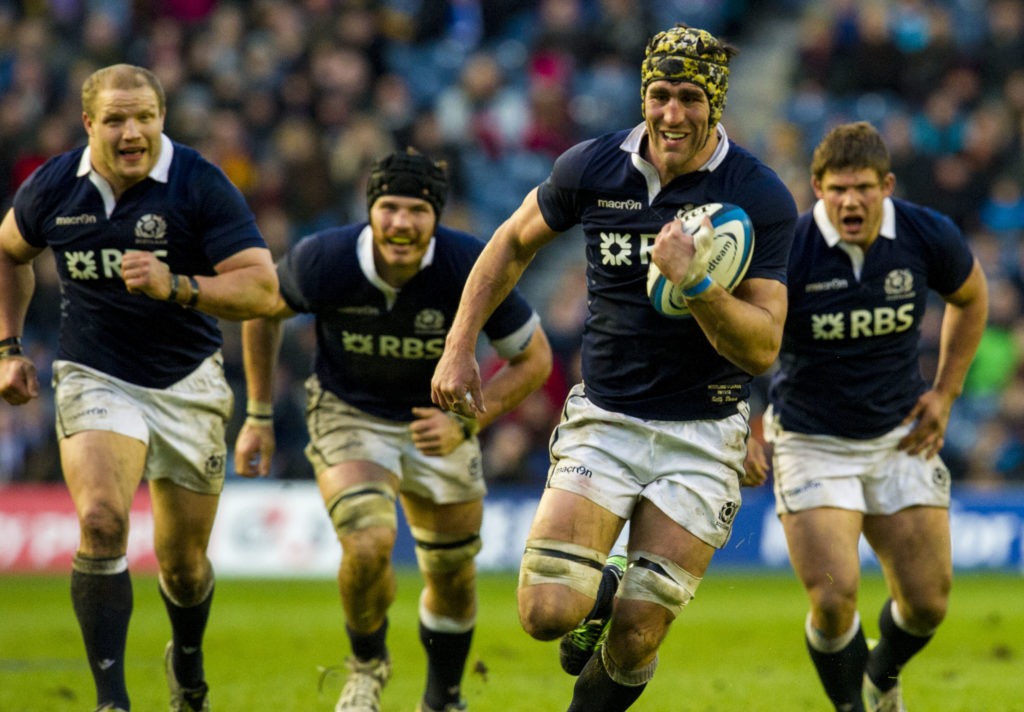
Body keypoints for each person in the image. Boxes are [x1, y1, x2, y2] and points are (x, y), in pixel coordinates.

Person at [431, 23, 797, 712]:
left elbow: (762, 347)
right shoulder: (593, 167)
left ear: (716, 103)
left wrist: (696, 284)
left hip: (703, 432)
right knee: (545, 613)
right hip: (608, 418)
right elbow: (510, 243)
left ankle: (614, 620)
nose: (672, 114)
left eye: (690, 98)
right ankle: (603, 588)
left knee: (634, 639)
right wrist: (459, 345)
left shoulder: (759, 195)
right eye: (660, 95)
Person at [0, 64, 278, 712]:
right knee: (101, 522)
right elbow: (8, 251)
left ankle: (187, 661)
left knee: (184, 565)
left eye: (145, 117)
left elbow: (263, 289)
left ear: (162, 118)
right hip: (94, 372)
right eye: (116, 119)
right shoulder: (54, 185)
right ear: (88, 123)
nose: (132, 132)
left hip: (188, 382)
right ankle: (112, 702)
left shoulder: (199, 183)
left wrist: (176, 285)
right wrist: (7, 348)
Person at [233, 149, 552, 712]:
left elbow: (536, 359)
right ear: (370, 210)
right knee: (367, 542)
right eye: (389, 208)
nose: (401, 223)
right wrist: (258, 415)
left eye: (417, 211)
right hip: (349, 412)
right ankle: (366, 668)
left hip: (439, 422)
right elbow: (262, 310)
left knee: (452, 573)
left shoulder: (466, 265)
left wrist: (467, 421)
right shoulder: (324, 258)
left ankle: (442, 698)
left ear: (436, 217)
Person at [744, 121, 988, 712]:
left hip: (900, 436)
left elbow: (972, 296)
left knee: (927, 605)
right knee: (834, 600)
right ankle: (853, 707)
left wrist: (946, 392)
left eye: (863, 188)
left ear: (887, 186)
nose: (850, 201)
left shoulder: (926, 233)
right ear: (817, 189)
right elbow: (743, 336)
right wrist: (747, 419)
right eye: (838, 189)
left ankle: (881, 675)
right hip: (811, 440)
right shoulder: (790, 249)